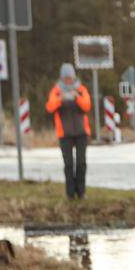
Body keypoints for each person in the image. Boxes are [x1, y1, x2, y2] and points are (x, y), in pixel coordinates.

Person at [45, 63, 92, 199]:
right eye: (65, 78)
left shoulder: (81, 89)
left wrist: (76, 97)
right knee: (69, 164)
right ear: (61, 78)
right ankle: (70, 193)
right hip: (64, 134)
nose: (68, 80)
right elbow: (50, 107)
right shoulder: (56, 91)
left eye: (70, 78)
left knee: (81, 163)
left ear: (74, 77)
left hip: (81, 132)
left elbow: (87, 106)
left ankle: (81, 192)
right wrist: (60, 99)